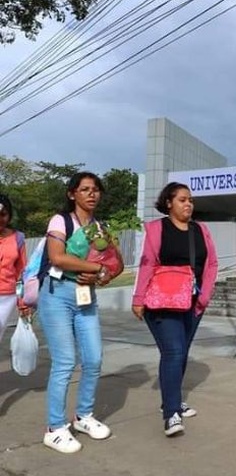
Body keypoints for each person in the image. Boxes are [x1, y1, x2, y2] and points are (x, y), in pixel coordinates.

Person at [40, 172, 124, 454]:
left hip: (86, 297)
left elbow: (117, 264)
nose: (92, 194)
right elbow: (57, 257)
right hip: (58, 295)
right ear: (72, 194)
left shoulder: (100, 228)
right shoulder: (60, 221)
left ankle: (83, 416)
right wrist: (96, 269)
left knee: (94, 358)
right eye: (85, 189)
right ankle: (54, 428)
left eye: (96, 189)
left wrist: (103, 276)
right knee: (64, 361)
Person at [132, 182, 218, 437]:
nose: (188, 204)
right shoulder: (157, 229)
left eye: (190, 200)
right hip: (162, 302)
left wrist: (204, 296)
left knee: (181, 353)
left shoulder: (200, 230)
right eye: (182, 199)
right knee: (174, 351)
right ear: (168, 203)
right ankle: (171, 413)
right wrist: (138, 298)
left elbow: (211, 264)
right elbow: (147, 264)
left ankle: (171, 399)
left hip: (192, 303)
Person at [0, 194, 30, 345]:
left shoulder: (17, 238)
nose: (0, 219)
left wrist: (22, 301)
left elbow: (21, 273)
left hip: (6, 298)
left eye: (3, 214)